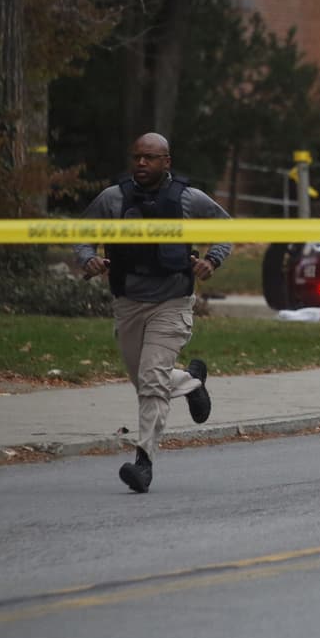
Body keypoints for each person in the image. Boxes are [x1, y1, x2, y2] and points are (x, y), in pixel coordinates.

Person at [75, 132, 232, 493]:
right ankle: (192, 382)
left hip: (173, 302)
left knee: (150, 382)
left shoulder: (188, 199)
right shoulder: (114, 198)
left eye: (150, 158)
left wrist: (212, 259)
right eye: (137, 157)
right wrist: (89, 259)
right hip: (128, 303)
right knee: (145, 380)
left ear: (167, 162)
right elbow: (80, 233)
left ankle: (143, 463)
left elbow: (228, 227)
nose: (141, 163)